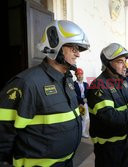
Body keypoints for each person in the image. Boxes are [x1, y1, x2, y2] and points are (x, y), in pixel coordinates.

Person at [0, 20, 90, 166]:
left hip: (67, 162)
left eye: (78, 49)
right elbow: (3, 133)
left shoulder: (67, 80)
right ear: (55, 45)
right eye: (74, 48)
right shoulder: (27, 83)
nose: (78, 54)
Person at [74, 68, 90, 138]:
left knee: (85, 118)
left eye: (81, 74)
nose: (80, 76)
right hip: (78, 104)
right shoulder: (73, 84)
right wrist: (82, 100)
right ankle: (78, 132)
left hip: (84, 104)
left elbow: (88, 93)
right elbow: (73, 95)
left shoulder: (86, 84)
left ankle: (82, 132)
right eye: (78, 75)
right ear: (76, 75)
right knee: (79, 118)